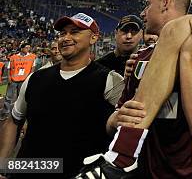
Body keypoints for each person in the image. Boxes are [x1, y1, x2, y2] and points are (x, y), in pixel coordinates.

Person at [76, 0, 192, 179]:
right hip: (142, 171)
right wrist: (117, 119)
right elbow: (113, 122)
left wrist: (186, 55)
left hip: (189, 172)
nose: (143, 12)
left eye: (147, 5)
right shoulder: (140, 58)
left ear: (165, 3)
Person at [0, 13, 124, 178]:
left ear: (93, 38)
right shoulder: (36, 78)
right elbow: (14, 121)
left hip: (77, 173)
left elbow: (126, 128)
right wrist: (3, 165)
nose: (66, 38)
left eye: (74, 32)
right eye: (62, 33)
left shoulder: (110, 80)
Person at [0, 41, 36, 121]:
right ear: (22, 48)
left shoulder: (32, 57)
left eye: (29, 47)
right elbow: (9, 67)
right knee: (8, 97)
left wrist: (29, 77)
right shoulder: (13, 57)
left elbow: (33, 68)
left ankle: (19, 113)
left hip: (24, 79)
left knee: (21, 97)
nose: (28, 49)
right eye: (26, 47)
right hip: (13, 79)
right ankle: (5, 112)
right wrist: (9, 77)